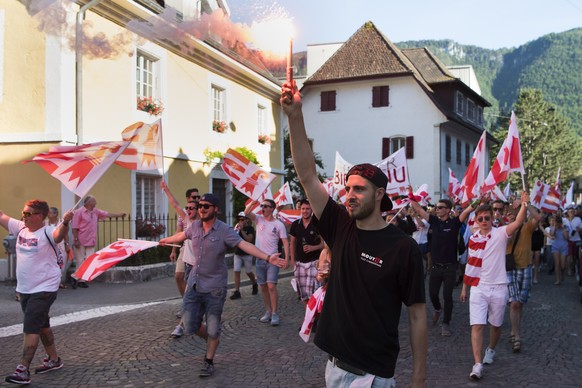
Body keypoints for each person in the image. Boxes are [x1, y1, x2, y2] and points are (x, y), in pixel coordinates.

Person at [282, 81, 427, 387]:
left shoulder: (403, 248)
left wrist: (419, 376)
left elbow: (416, 315)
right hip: (334, 369)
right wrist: (295, 116)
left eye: (359, 189)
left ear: (380, 195)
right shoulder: (339, 225)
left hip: (373, 377)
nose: (349, 194)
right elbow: (307, 174)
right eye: (348, 188)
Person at [159, 193, 286, 378]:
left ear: (215, 209)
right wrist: (166, 240)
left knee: (212, 328)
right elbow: (181, 235)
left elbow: (244, 245)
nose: (201, 209)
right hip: (194, 284)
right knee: (189, 325)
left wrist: (268, 257)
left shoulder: (225, 230)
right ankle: (213, 337)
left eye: (206, 206)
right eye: (200, 205)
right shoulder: (194, 226)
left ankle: (209, 360)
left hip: (215, 288)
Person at [0, 200, 73, 385]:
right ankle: (54, 360)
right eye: (23, 213)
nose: (23, 216)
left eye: (27, 214)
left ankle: (23, 370)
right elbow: (1, 216)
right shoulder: (21, 228)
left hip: (44, 288)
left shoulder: (47, 231)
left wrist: (65, 223)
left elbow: (58, 236)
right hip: (25, 288)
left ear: (40, 216)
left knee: (31, 326)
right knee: (42, 325)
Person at [460, 194, 528, 380]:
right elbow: (470, 265)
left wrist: (524, 204)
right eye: (480, 218)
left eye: (487, 218)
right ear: (476, 220)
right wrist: (465, 287)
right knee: (477, 325)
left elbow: (519, 222)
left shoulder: (500, 233)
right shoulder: (473, 239)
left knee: (496, 325)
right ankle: (477, 364)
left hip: (498, 288)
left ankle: (491, 349)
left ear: (492, 218)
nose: (483, 221)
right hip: (479, 288)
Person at [409, 196, 472, 336]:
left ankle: (446, 323)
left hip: (450, 267)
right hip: (436, 266)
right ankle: (438, 309)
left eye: (440, 207)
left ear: (448, 210)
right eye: (436, 207)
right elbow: (418, 209)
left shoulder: (455, 222)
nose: (437, 209)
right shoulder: (435, 222)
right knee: (432, 294)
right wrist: (410, 195)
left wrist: (478, 201)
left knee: (447, 295)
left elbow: (467, 210)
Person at [244, 198, 290, 326]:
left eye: (266, 206)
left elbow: (285, 242)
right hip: (260, 259)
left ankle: (275, 313)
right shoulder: (258, 219)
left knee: (271, 286)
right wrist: (253, 203)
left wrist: (287, 259)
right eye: (262, 206)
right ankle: (268, 311)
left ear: (272, 209)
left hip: (273, 260)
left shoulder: (278, 224)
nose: (263, 208)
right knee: (263, 286)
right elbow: (246, 212)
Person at [505, 197, 541, 353]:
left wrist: (527, 204)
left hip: (525, 267)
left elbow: (538, 217)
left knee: (520, 303)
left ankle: (514, 329)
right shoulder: (504, 228)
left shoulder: (527, 227)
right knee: (514, 303)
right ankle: (517, 336)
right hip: (510, 268)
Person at [71, 195, 126, 288]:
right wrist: (76, 240)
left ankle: (76, 277)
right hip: (81, 239)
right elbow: (74, 227)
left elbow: (107, 214)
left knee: (90, 260)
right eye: (94, 202)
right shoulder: (78, 212)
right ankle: (80, 280)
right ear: (88, 203)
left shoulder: (95, 212)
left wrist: (120, 215)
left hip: (91, 239)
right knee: (80, 260)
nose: (95, 204)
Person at [161, 183, 200, 303]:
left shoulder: (204, 221)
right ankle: (187, 307)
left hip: (199, 259)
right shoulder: (187, 219)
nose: (197, 199)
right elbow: (175, 205)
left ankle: (191, 310)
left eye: (198, 197)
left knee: (196, 288)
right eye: (194, 197)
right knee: (180, 278)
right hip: (186, 252)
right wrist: (166, 190)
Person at [289, 199, 324, 304]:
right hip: (300, 264)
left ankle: (316, 319)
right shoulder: (295, 224)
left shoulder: (317, 223)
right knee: (304, 296)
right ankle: (308, 318)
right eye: (303, 208)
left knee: (315, 294)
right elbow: (292, 244)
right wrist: (293, 263)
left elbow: (324, 244)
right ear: (300, 209)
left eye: (308, 209)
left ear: (312, 209)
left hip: (314, 263)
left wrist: (314, 248)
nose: (305, 211)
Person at [230, 212, 258, 300]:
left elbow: (249, 239)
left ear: (246, 220)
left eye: (242, 219)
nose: (240, 221)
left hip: (247, 253)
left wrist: (242, 230)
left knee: (248, 271)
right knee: (236, 271)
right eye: (239, 219)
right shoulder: (236, 228)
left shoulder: (250, 228)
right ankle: (237, 291)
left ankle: (254, 283)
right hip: (238, 253)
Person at [47, 207, 71, 289]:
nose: (48, 214)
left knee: (61, 266)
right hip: (48, 248)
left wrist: (67, 244)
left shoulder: (62, 223)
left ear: (55, 214)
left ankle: (58, 282)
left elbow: (65, 235)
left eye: (50, 213)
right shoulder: (45, 223)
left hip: (60, 247)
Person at [550, 216, 570, 285]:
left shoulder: (565, 227)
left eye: (558, 222)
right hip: (555, 247)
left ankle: (562, 274)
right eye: (556, 222)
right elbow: (551, 235)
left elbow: (567, 237)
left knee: (563, 265)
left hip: (564, 247)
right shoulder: (553, 227)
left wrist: (563, 228)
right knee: (557, 264)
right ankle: (557, 279)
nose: (557, 223)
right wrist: (555, 227)